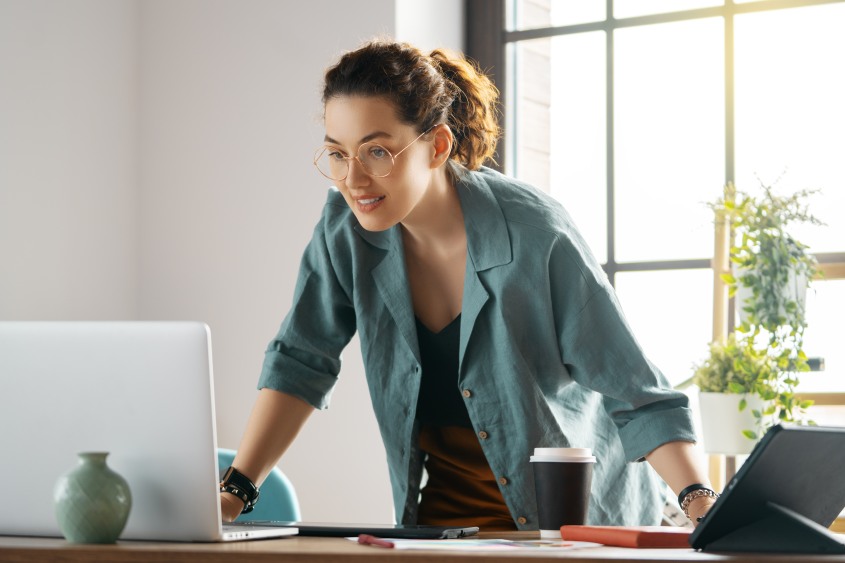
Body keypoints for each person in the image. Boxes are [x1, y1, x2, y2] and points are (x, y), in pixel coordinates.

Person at [219, 39, 717, 530]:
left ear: (436, 145)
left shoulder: (535, 234)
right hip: (445, 528)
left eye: (376, 151)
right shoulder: (343, 231)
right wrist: (233, 493)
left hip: (568, 527)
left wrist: (699, 501)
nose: (354, 179)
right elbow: (300, 362)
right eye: (337, 154)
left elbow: (636, 392)